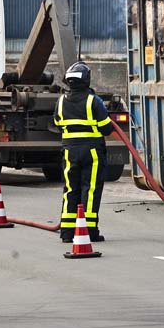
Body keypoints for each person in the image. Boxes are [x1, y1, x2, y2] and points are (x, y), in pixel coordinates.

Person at [53, 61, 114, 243]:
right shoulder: (93, 101)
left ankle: (67, 232)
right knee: (90, 190)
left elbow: (57, 123)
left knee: (71, 189)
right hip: (92, 152)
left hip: (69, 151)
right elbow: (106, 128)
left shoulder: (61, 101)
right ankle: (89, 231)